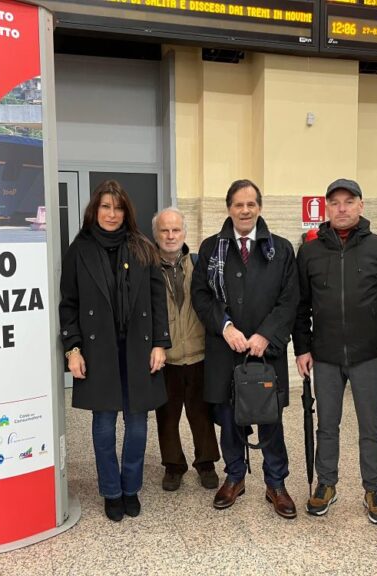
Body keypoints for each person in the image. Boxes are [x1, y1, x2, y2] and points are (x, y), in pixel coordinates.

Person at [294, 178, 377, 525]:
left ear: (361, 206)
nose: (342, 208)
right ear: (327, 208)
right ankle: (326, 484)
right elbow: (301, 306)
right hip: (326, 356)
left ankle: (374, 488)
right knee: (327, 424)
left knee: (371, 426)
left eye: (349, 201)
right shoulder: (310, 252)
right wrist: (303, 348)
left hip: (368, 356)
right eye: (335, 203)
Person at [59, 179, 171, 522]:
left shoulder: (142, 247)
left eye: (118, 207)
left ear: (127, 211)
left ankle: (130, 487)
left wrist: (160, 343)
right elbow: (69, 304)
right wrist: (72, 349)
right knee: (104, 425)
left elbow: (157, 300)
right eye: (106, 207)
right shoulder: (80, 249)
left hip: (137, 348)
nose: (111, 213)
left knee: (137, 425)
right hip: (99, 350)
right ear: (95, 210)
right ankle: (111, 490)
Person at [191, 178, 300, 519]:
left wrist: (266, 334)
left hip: (265, 352)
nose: (245, 210)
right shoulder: (211, 248)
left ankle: (276, 483)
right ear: (228, 208)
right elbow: (201, 296)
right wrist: (225, 327)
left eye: (251, 203)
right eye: (238, 204)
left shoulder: (280, 249)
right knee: (229, 418)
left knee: (270, 420)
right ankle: (235, 476)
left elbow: (289, 299)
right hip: (226, 350)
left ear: (260, 207)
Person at [152, 207, 221, 492]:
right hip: (164, 358)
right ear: (156, 235)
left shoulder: (199, 265)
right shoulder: (147, 269)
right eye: (165, 230)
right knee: (167, 417)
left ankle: (206, 463)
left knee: (201, 415)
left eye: (176, 230)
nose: (170, 235)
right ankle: (173, 466)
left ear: (185, 233)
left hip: (198, 354)